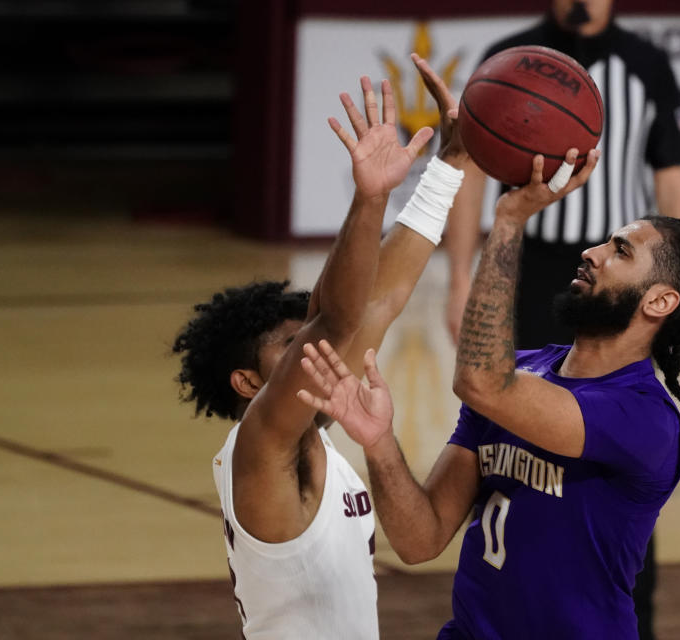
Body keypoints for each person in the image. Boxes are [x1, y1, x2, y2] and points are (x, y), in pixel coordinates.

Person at [295, 150, 680, 639]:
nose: (593, 252)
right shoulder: (525, 369)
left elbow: (481, 381)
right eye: (608, 242)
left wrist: (508, 219)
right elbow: (421, 539)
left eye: (622, 251)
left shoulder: (644, 419)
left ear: (659, 301)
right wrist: (379, 444)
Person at [171, 56, 467, 639]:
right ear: (248, 383)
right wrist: (369, 200)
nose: (316, 351)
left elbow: (379, 302)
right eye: (291, 345)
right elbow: (337, 319)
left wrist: (449, 168)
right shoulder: (259, 446)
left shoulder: (312, 437)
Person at [444, 3, 680, 634]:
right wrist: (456, 279)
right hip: (530, 275)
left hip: (618, 281)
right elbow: (472, 179)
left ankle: (627, 614)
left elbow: (672, 184)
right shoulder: (508, 59)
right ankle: (512, 582)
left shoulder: (646, 64)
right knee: (507, 432)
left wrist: (677, 300)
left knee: (616, 460)